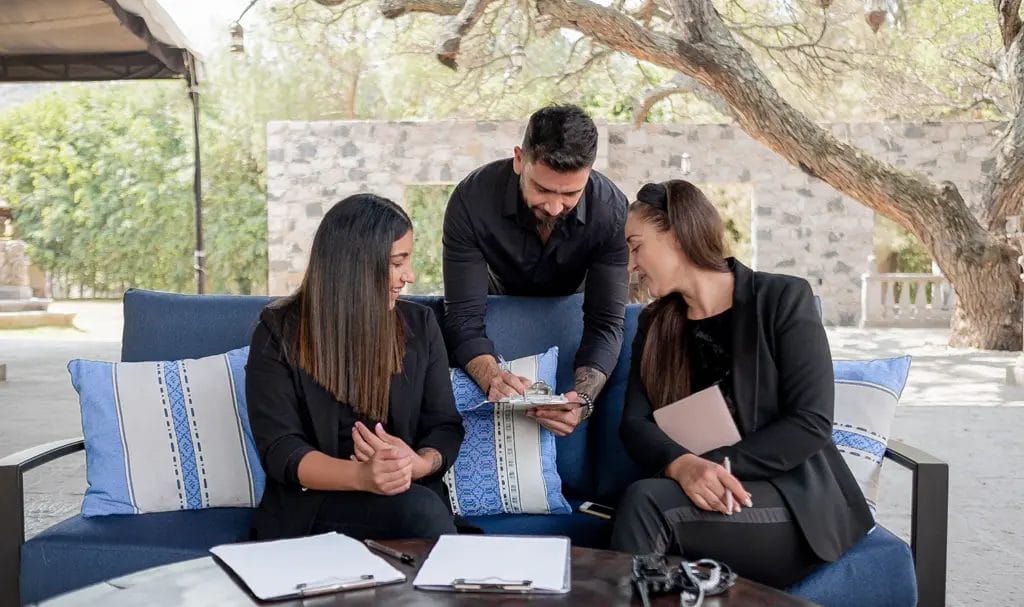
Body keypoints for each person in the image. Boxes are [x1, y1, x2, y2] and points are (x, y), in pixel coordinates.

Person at [610, 181, 872, 588]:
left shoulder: (782, 298)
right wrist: (684, 466)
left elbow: (810, 422)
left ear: (677, 235)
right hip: (707, 491)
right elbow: (634, 423)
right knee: (644, 499)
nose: (631, 264)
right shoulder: (655, 323)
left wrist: (714, 466)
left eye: (637, 246)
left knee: (645, 502)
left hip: (792, 501)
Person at [246, 193, 465, 541]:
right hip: (314, 507)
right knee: (420, 512)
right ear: (355, 266)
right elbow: (281, 449)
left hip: (407, 497)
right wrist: (363, 476)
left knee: (420, 508)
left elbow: (444, 426)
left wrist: (418, 463)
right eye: (397, 262)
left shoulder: (420, 325)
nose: (409, 275)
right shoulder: (279, 331)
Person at [442, 104, 628, 436]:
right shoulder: (472, 199)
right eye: (542, 189)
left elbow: (606, 322)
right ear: (519, 159)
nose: (555, 207)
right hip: (494, 317)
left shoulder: (611, 211)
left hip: (573, 320)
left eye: (571, 193)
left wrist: (582, 399)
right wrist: (491, 377)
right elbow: (463, 316)